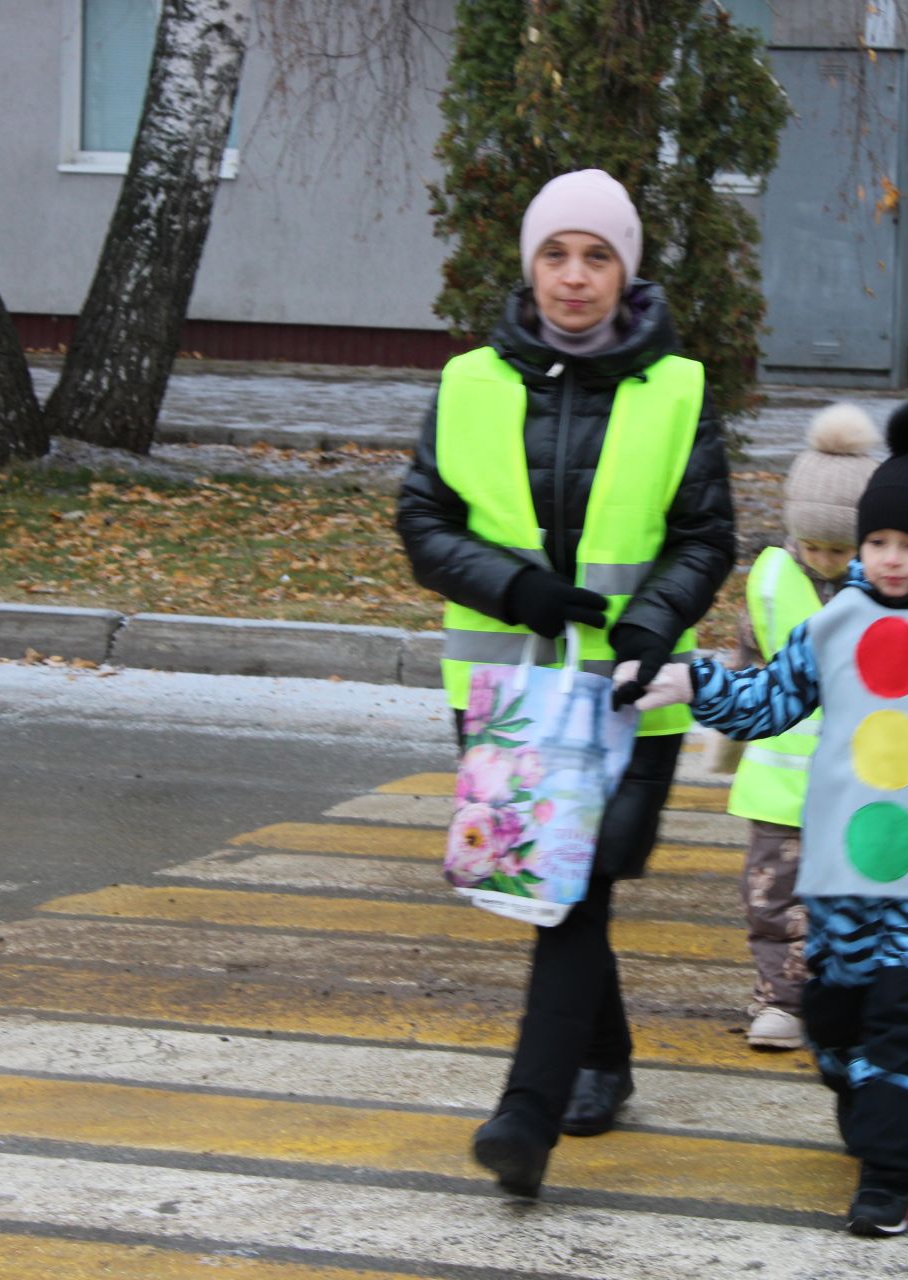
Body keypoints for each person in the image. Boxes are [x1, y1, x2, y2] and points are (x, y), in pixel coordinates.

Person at [395, 168, 736, 1198]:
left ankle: (526, 1113)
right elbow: (423, 523)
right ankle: (604, 1058)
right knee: (565, 885)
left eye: (597, 256)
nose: (575, 277)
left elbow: (705, 534)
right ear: (530, 265)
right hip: (508, 688)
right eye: (556, 254)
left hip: (636, 689)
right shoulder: (467, 383)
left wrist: (648, 621)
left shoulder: (677, 386)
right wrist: (520, 590)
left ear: (627, 269)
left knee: (575, 883)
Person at [639, 401, 908, 1237]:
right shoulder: (836, 622)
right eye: (876, 544)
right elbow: (767, 701)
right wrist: (691, 681)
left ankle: (887, 1178)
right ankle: (862, 1095)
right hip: (841, 871)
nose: (891, 562)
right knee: (836, 1024)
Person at [717, 402, 878, 1048]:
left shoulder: (888, 584)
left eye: (841, 547)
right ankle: (780, 1000)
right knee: (771, 897)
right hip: (779, 788)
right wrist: (726, 744)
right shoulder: (770, 579)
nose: (826, 557)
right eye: (813, 544)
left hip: (862, 783)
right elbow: (744, 666)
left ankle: (848, 999)